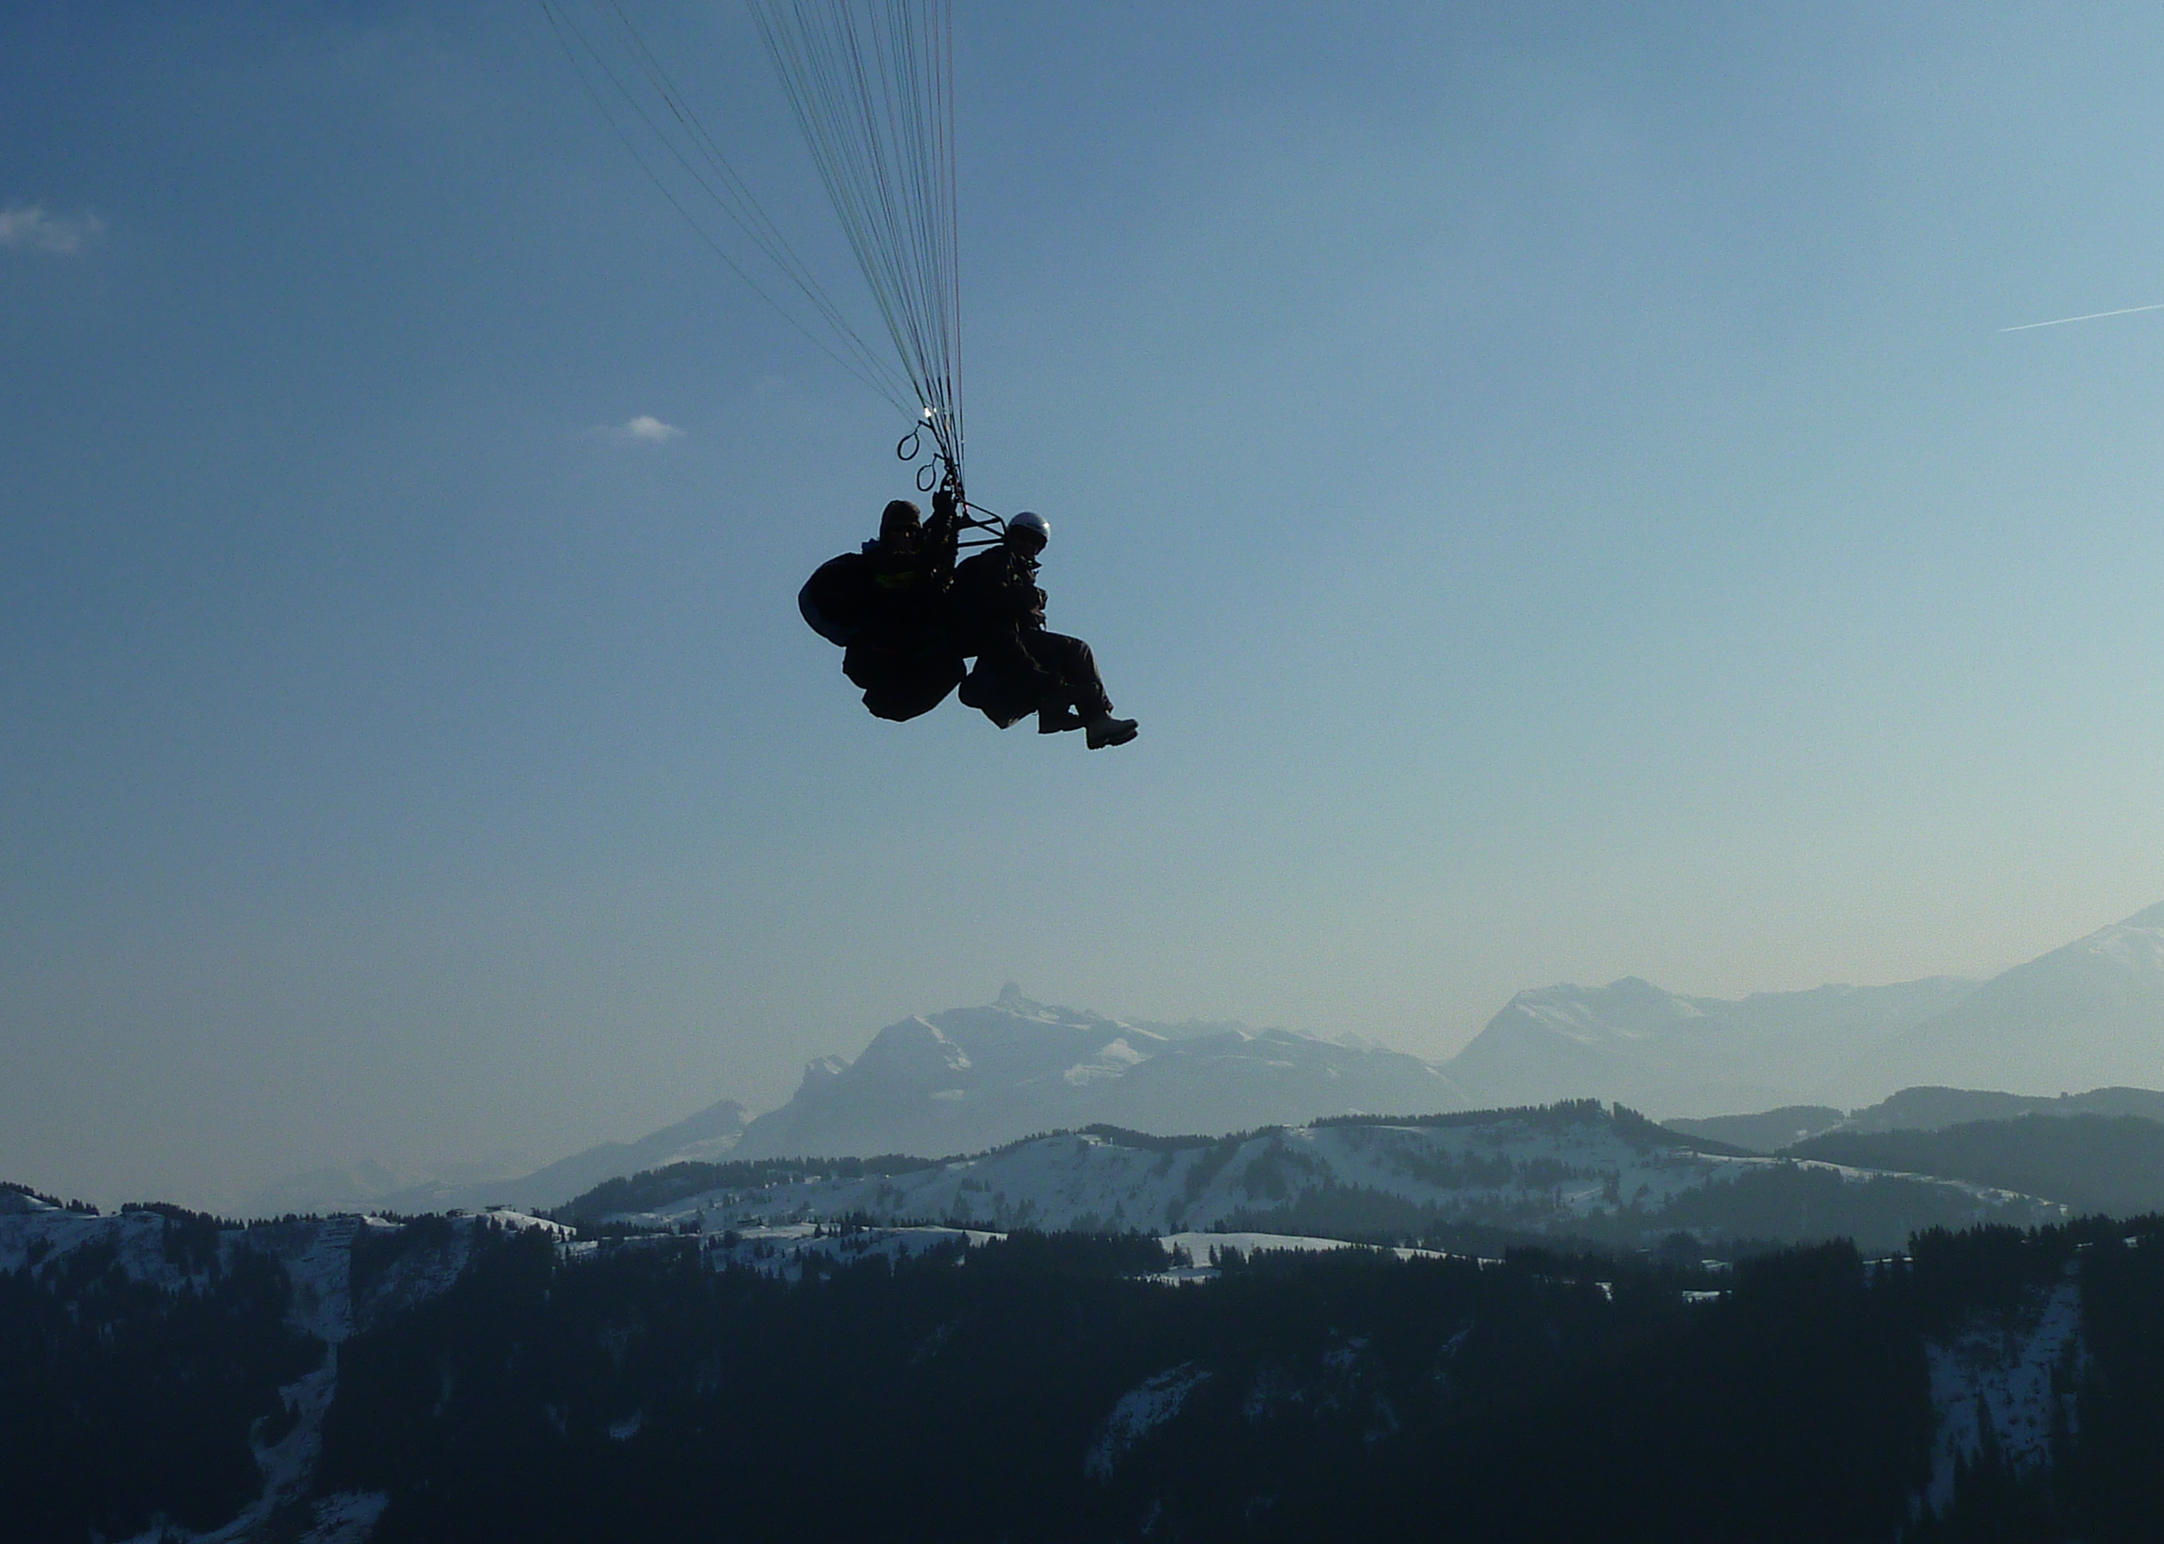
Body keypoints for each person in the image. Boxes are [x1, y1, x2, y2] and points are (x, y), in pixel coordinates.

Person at [950, 510, 1137, 748]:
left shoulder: (1018, 570)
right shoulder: (996, 563)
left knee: (1067, 654)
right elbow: (995, 608)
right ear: (1010, 537)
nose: (1027, 545)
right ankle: (1094, 717)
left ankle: (1084, 718)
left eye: (1033, 542)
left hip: (1013, 641)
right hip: (1001, 643)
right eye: (1022, 538)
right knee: (1076, 650)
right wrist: (1029, 598)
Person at [836, 485, 965, 722]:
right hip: (881, 652)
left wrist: (947, 524)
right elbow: (923, 562)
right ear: (887, 533)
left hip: (908, 647)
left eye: (910, 531)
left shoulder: (914, 559)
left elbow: (939, 565)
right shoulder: (879, 560)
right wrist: (943, 518)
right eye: (897, 531)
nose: (905, 537)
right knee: (950, 666)